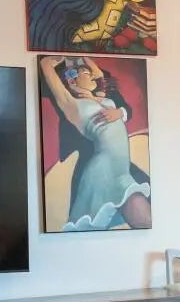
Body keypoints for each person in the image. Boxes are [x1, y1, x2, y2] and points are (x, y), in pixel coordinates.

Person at [39, 55, 150, 231]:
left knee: (145, 222)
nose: (92, 75)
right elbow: (45, 65)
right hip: (102, 171)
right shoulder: (72, 105)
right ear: (72, 81)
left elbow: (99, 74)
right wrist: (53, 61)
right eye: (86, 73)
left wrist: (83, 57)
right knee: (88, 232)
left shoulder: (100, 98)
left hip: (121, 172)